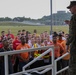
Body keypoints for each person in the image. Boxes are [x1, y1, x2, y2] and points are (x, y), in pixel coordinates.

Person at [66, 1, 76, 75]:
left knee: (73, 66)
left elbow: (72, 33)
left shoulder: (74, 17)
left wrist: (67, 43)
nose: (69, 10)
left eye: (70, 8)